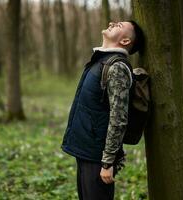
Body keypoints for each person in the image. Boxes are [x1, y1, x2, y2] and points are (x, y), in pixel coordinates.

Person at [61, 20, 144, 200]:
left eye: (119, 25)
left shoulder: (117, 68)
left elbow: (119, 119)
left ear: (125, 41)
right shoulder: (100, 61)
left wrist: (107, 162)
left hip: (98, 159)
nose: (112, 23)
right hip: (86, 151)